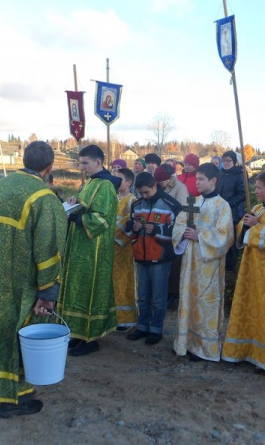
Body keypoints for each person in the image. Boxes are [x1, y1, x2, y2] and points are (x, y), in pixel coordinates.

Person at [0, 141, 67, 417]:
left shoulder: (0, 186)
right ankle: (13, 400)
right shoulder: (44, 197)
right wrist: (48, 291)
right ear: (48, 167)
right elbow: (49, 249)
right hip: (23, 284)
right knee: (20, 334)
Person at [221, 170, 265, 372]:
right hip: (250, 268)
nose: (256, 191)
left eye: (259, 188)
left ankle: (264, 358)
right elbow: (241, 230)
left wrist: (254, 227)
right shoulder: (257, 208)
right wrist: (247, 225)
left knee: (264, 311)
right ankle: (242, 351)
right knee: (247, 305)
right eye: (256, 187)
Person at [58, 145, 120, 357]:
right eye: (80, 163)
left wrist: (78, 217)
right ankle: (77, 333)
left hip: (94, 250)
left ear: (98, 163)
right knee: (78, 290)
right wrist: (74, 204)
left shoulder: (106, 186)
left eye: (85, 163)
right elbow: (86, 206)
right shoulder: (90, 183)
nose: (82, 167)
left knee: (90, 291)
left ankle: (91, 338)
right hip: (80, 247)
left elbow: (102, 219)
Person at [172, 163, 234, 362]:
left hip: (209, 264)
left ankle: (204, 348)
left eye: (201, 179)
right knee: (188, 299)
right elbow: (179, 224)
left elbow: (226, 236)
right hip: (190, 261)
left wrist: (201, 236)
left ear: (213, 181)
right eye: (196, 179)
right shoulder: (193, 202)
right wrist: (184, 233)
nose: (196, 182)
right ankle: (186, 344)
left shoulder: (222, 205)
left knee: (205, 303)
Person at [125, 172, 182, 345]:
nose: (144, 196)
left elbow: (178, 234)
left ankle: (156, 329)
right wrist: (133, 228)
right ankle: (142, 327)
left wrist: (157, 230)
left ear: (154, 186)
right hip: (140, 258)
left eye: (146, 192)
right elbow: (129, 231)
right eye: (141, 193)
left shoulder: (171, 205)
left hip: (160, 259)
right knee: (142, 296)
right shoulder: (137, 204)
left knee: (158, 297)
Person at [155, 164, 189, 309]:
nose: (159, 185)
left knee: (174, 262)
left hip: (173, 229)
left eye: (162, 182)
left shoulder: (180, 188)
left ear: (169, 178)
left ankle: (173, 294)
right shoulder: (159, 185)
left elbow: (181, 210)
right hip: (159, 228)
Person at [113, 168, 138, 329]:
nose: (115, 181)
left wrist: (111, 231)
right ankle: (112, 316)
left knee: (124, 281)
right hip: (109, 249)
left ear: (128, 182)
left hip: (123, 249)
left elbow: (131, 223)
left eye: (119, 178)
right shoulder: (112, 198)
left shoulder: (132, 200)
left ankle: (126, 319)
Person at [217, 150, 246, 271]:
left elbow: (243, 193)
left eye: (229, 160)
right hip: (218, 211)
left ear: (234, 162)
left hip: (232, 213)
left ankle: (231, 268)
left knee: (231, 241)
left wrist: (228, 204)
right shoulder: (219, 173)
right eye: (224, 160)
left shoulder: (239, 174)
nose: (226, 163)